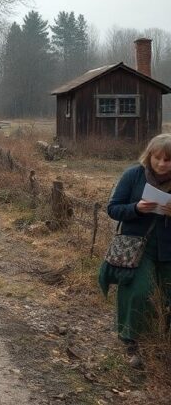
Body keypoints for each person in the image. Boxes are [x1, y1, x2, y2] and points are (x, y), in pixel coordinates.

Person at [101, 133, 171, 368]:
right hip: (138, 247)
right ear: (149, 156)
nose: (162, 164)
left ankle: (160, 342)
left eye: (168, 160)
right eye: (158, 158)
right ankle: (133, 342)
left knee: (166, 298)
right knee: (139, 292)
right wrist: (136, 208)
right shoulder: (134, 175)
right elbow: (113, 209)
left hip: (169, 249)